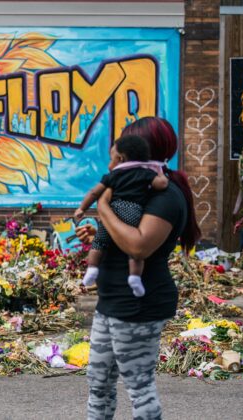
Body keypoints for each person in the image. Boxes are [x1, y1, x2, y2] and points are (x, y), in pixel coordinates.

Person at [85, 116, 200, 420]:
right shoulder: (136, 189)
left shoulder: (166, 195)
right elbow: (120, 232)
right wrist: (100, 232)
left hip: (139, 305)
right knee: (98, 383)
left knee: (139, 386)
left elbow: (138, 245)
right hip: (111, 301)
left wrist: (104, 210)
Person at [75, 135, 168, 297]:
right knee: (133, 251)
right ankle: (134, 277)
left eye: (111, 159)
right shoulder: (145, 173)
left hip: (113, 211)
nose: (109, 165)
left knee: (99, 243)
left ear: (120, 159)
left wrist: (82, 209)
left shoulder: (113, 176)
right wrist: (160, 173)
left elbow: (94, 192)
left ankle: (91, 270)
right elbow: (161, 184)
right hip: (134, 213)